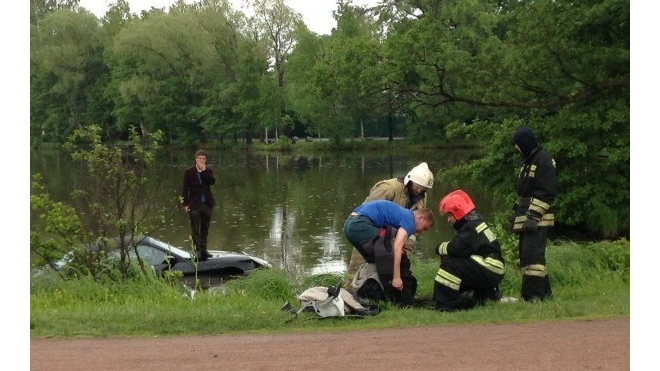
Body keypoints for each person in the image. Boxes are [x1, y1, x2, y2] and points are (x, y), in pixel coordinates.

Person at [345, 162, 434, 285]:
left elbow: (415, 227)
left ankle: (377, 294)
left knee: (385, 264)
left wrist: (406, 248)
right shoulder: (388, 189)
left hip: (390, 237)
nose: (419, 191)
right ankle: (350, 290)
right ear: (410, 180)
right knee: (359, 265)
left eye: (423, 189)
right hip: (370, 232)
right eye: (417, 186)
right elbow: (367, 211)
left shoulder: (421, 198)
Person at [343, 199, 434, 306]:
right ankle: (396, 296)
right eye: (424, 228)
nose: (421, 232)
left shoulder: (404, 214)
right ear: (420, 217)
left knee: (377, 259)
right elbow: (397, 247)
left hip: (349, 225)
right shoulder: (410, 221)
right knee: (388, 254)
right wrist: (396, 277)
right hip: (360, 225)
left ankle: (372, 294)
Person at [433, 190, 505, 312]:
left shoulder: (471, 227)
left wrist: (439, 248)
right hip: (491, 268)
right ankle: (483, 295)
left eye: (449, 215)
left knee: (450, 262)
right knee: (457, 262)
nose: (448, 220)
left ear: (458, 212)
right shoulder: (473, 224)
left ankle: (444, 301)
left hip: (490, 268)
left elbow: (456, 248)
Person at [510, 127, 556, 301]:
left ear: (525, 143)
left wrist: (534, 216)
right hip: (527, 217)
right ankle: (545, 294)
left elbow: (547, 192)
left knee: (533, 260)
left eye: (518, 144)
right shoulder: (529, 160)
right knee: (527, 257)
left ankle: (533, 297)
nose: (516, 148)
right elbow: (525, 192)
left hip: (538, 220)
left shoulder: (543, 160)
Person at [181, 150, 216, 261]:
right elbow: (185, 188)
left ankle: (204, 250)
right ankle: (198, 251)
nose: (201, 160)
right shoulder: (189, 172)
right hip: (194, 204)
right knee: (195, 229)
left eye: (203, 159)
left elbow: (212, 182)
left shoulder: (208, 171)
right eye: (199, 158)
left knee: (205, 228)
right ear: (196, 159)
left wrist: (204, 171)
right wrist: (185, 204)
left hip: (207, 203)